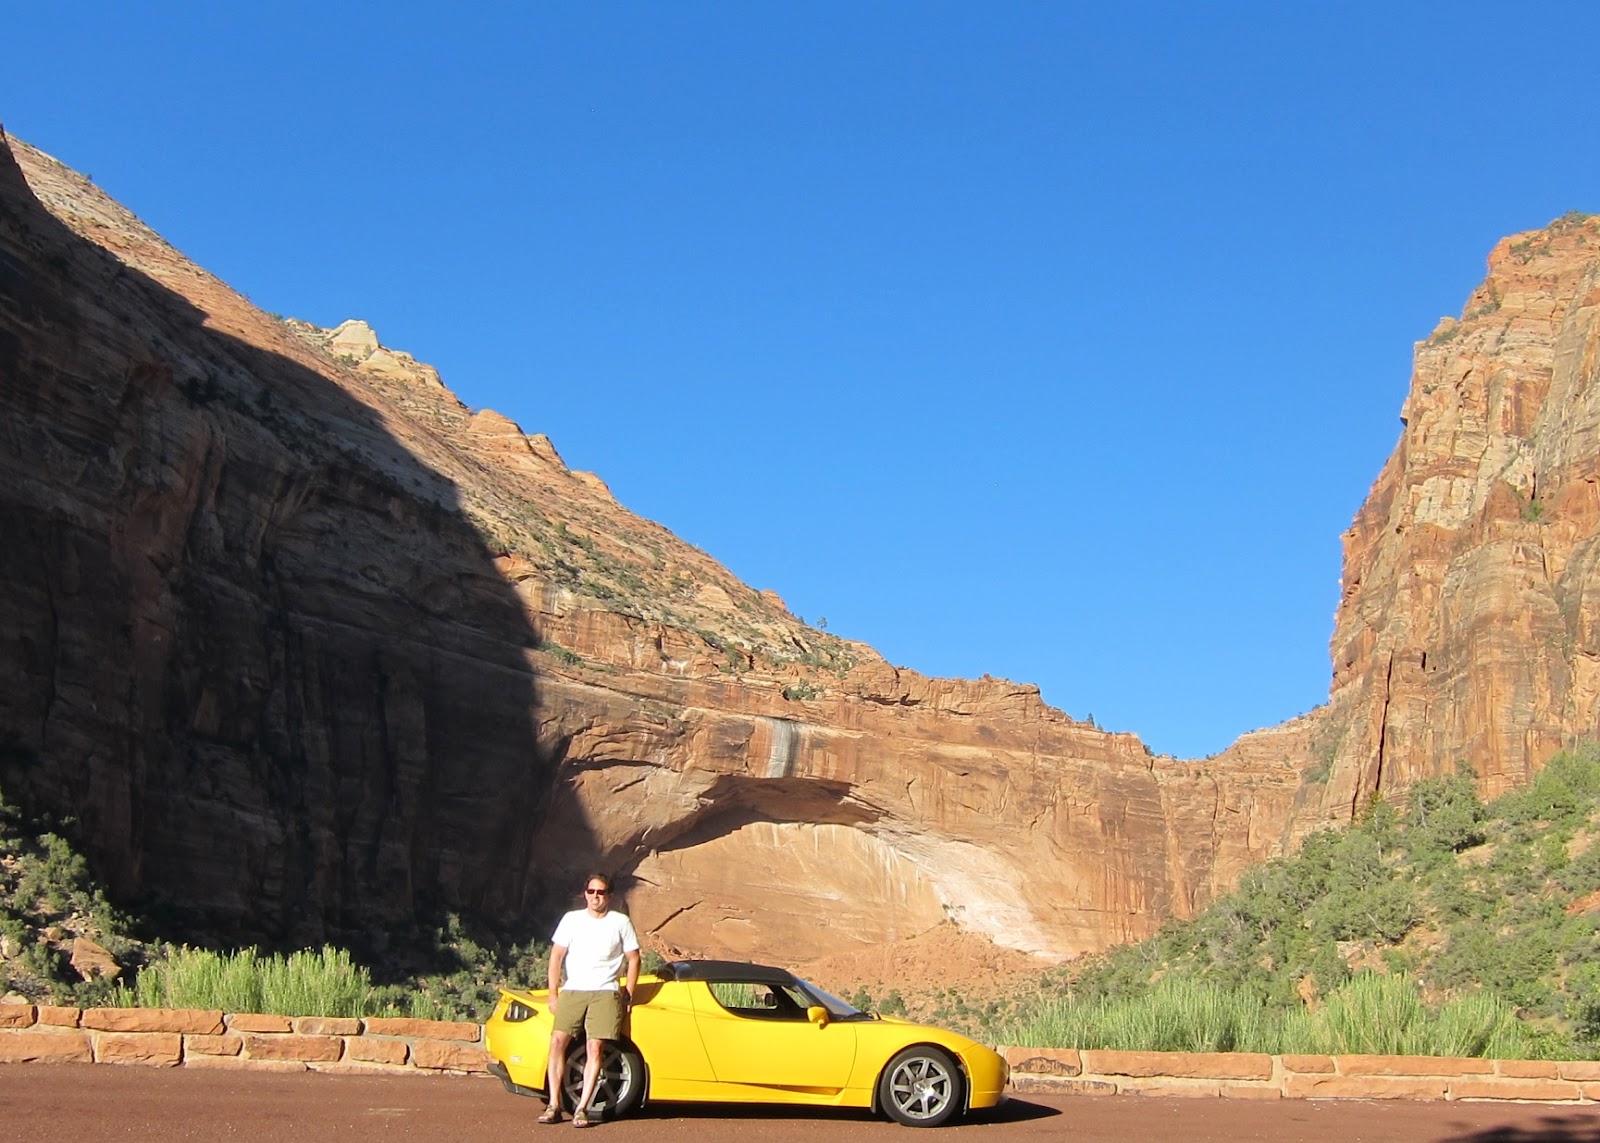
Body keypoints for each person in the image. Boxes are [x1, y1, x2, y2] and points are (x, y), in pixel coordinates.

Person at [540, 873, 641, 1128]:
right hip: (573, 990)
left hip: (605, 992)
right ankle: (554, 1104)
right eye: (591, 891)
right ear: (585, 893)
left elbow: (634, 959)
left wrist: (628, 993)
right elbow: (556, 956)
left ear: (610, 896)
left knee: (595, 1047)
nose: (596, 896)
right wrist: (553, 993)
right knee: (557, 1042)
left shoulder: (620, 922)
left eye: (601, 892)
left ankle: (582, 1108)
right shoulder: (571, 920)